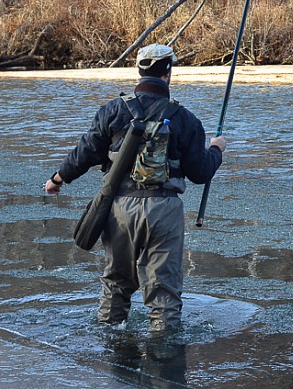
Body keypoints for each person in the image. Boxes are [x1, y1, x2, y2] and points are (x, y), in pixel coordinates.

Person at [45, 43, 226, 332]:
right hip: (164, 210)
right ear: (168, 72)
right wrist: (217, 150)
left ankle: (110, 353)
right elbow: (200, 172)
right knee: (164, 293)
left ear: (138, 70)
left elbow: (86, 151)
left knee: (116, 283)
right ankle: (164, 364)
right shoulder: (186, 119)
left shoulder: (113, 111)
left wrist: (58, 179)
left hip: (118, 209)